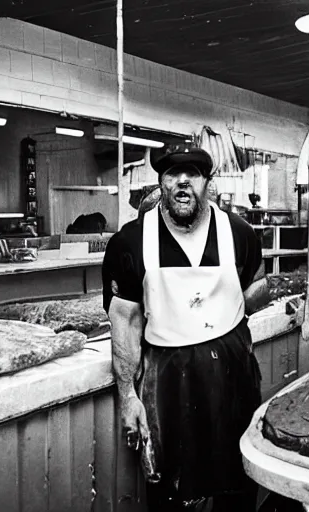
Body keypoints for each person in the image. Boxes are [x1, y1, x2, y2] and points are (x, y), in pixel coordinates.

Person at [102, 147, 270, 511]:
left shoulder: (239, 233)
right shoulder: (130, 242)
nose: (182, 182)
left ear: (206, 182)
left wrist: (234, 308)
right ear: (160, 182)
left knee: (238, 482)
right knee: (170, 491)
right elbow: (126, 321)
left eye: (192, 173)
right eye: (172, 174)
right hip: (168, 380)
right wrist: (128, 396)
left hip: (233, 377)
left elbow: (257, 285)